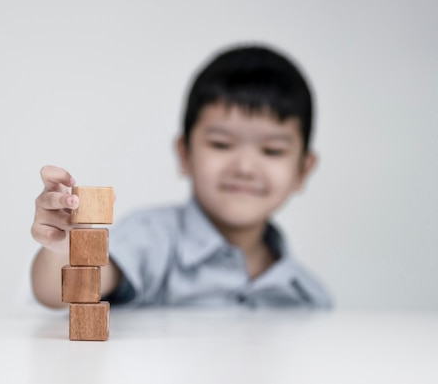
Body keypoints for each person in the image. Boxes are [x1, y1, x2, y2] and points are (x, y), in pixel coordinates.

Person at [30, 44, 333, 309]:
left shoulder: (307, 295)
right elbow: (61, 291)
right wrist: (68, 249)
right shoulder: (150, 239)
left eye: (272, 150)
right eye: (221, 144)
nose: (245, 167)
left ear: (302, 170)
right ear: (185, 153)